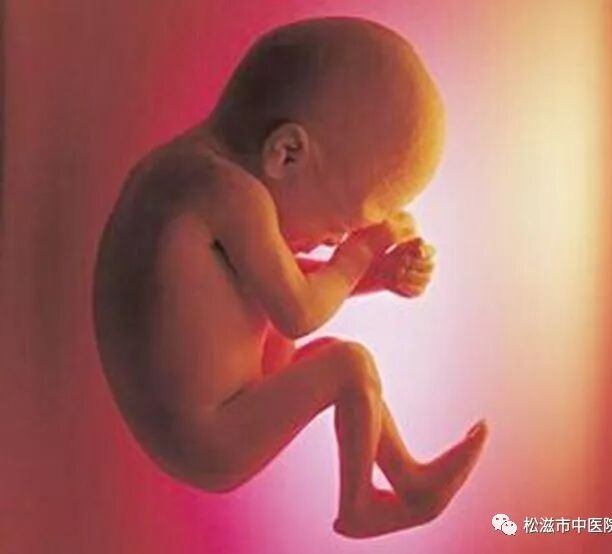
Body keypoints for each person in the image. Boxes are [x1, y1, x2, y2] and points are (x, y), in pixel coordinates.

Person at [93, 16, 488, 538]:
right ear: (287, 154)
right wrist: (360, 252)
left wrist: (375, 275)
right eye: (340, 225)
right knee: (347, 365)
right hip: (209, 440)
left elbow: (258, 283)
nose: (334, 240)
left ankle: (410, 483)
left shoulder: (183, 173)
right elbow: (297, 311)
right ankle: (359, 505)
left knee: (331, 359)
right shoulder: (237, 198)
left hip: (184, 425)